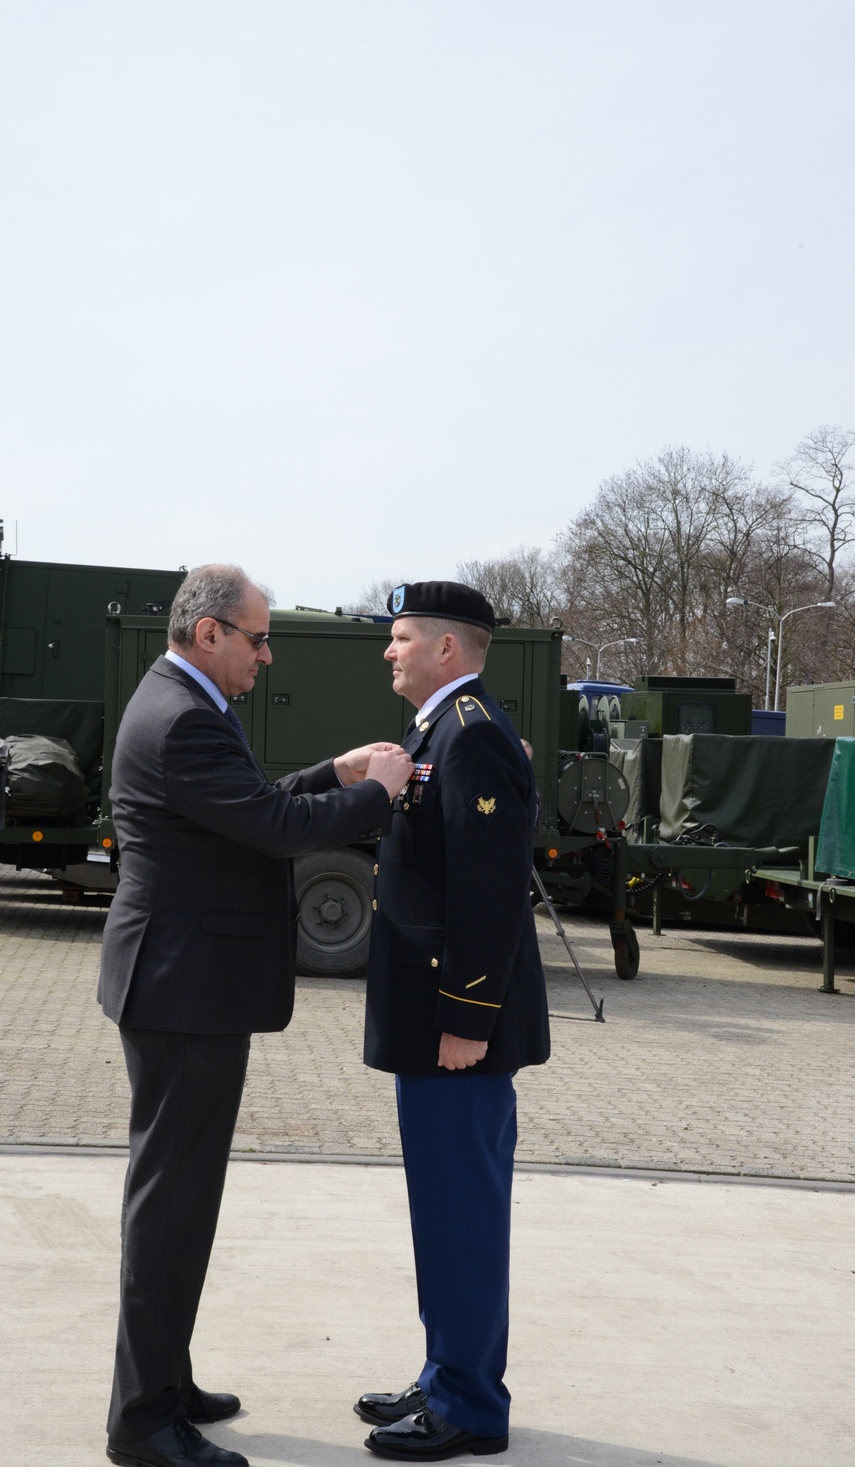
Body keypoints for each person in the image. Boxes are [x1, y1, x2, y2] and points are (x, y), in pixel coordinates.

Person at [98, 564, 414, 1467]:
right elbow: (274, 827)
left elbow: (243, 807)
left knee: (180, 1199)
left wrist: (335, 770)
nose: (267, 656)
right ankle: (144, 1422)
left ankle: (165, 1376)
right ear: (209, 634)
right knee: (172, 1205)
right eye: (257, 638)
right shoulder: (184, 717)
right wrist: (375, 793)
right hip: (182, 989)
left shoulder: (183, 705)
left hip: (183, 983)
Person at [355, 581, 551, 1463]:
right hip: (435, 1022)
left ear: (446, 648)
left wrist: (470, 1017)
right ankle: (448, 1373)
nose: (389, 651)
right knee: (443, 1212)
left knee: (461, 1214)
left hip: (455, 1029)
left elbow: (491, 890)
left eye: (401, 638)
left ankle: (469, 1405)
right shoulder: (440, 729)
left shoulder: (469, 737)